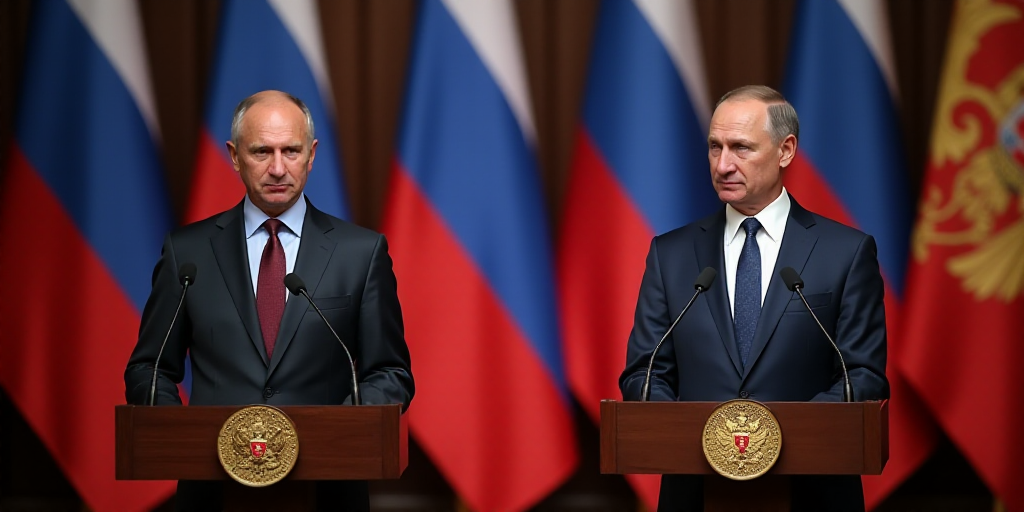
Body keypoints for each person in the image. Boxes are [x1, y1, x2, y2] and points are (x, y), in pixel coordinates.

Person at [124, 90, 414, 511]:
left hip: (327, 490)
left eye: (291, 151)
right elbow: (149, 367)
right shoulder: (187, 253)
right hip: (211, 490)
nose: (278, 168)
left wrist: (338, 429)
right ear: (234, 155)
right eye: (262, 151)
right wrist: (180, 430)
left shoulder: (361, 253)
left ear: (311, 155)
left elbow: (390, 371)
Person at [619, 85, 888, 511]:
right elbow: (643, 374)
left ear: (785, 151)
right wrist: (699, 434)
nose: (723, 164)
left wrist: (775, 435)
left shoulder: (846, 253)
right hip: (696, 492)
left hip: (812, 494)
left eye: (741, 148)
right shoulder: (670, 254)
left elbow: (863, 375)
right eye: (714, 147)